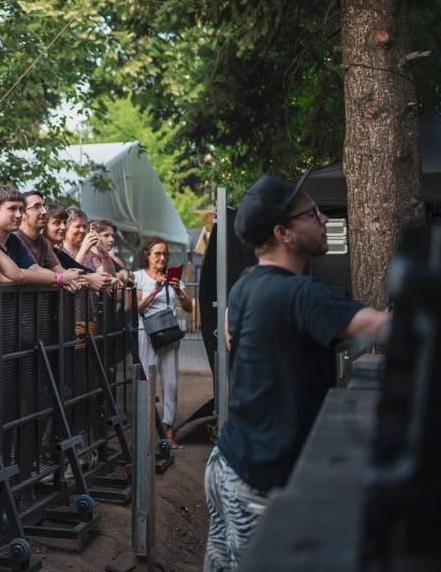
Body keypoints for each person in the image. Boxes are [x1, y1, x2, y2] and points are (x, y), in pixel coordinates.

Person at [202, 175, 391, 571]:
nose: (322, 219)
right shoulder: (299, 294)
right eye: (311, 214)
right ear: (283, 233)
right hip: (258, 480)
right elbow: (383, 327)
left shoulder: (245, 285)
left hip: (226, 464)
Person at [133, 237, 191, 448]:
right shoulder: (138, 277)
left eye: (165, 254)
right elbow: (136, 309)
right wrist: (155, 290)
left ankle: (167, 430)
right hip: (146, 333)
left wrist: (177, 289)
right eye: (157, 253)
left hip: (168, 334)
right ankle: (148, 431)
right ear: (147, 255)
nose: (162, 257)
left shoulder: (172, 278)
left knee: (171, 383)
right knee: (147, 383)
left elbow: (189, 308)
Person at [0, 185, 82, 290]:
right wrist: (59, 279)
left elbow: (34, 268)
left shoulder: (13, 239)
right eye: (12, 209)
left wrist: (66, 280)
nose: (19, 215)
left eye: (21, 209)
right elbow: (17, 275)